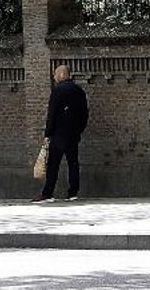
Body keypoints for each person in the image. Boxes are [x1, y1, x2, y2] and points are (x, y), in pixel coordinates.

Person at [37, 65, 89, 203]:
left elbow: (52, 114)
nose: (54, 77)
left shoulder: (57, 91)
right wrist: (79, 129)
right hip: (73, 134)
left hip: (58, 134)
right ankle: (73, 193)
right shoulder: (79, 91)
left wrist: (48, 133)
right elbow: (84, 113)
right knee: (73, 163)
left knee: (53, 165)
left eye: (55, 74)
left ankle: (48, 193)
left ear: (61, 75)